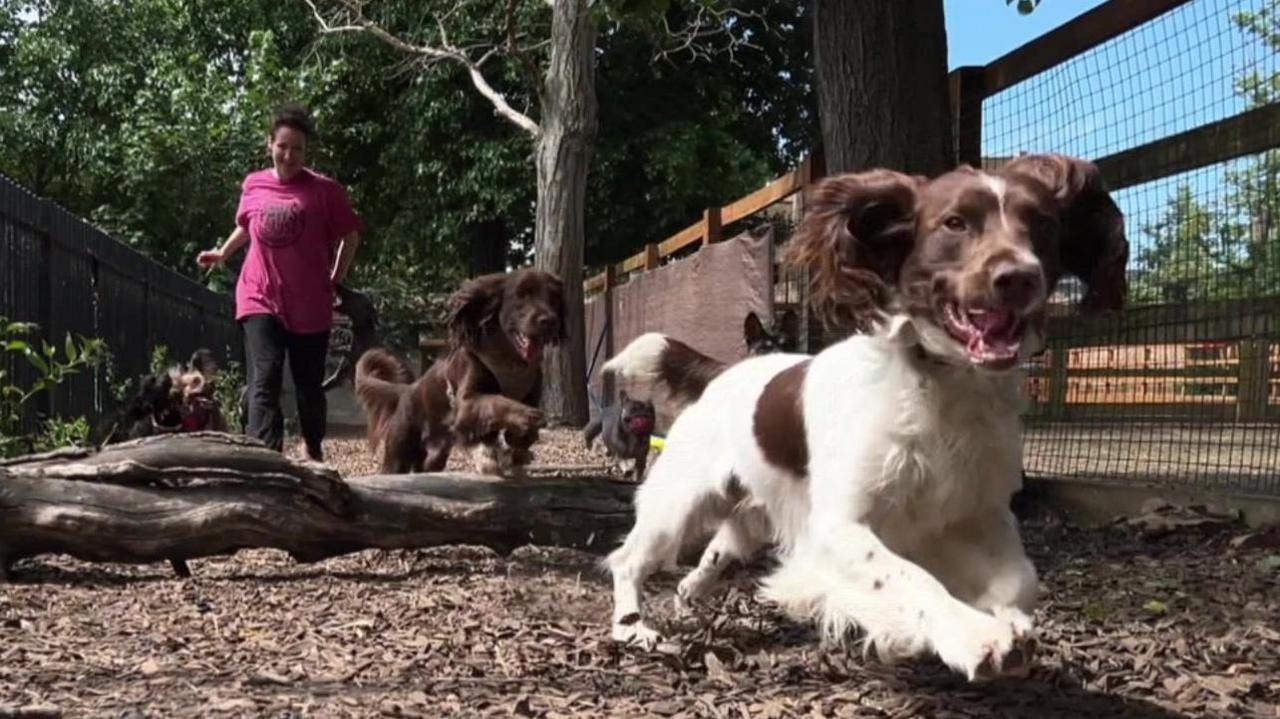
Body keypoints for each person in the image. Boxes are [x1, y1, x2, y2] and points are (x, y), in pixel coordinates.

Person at [196, 103, 362, 461]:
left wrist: (336, 278)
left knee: (308, 390)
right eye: (282, 146)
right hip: (260, 295)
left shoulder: (325, 191)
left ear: (306, 151)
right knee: (265, 378)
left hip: (310, 304)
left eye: (297, 148)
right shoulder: (253, 184)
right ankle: (264, 460)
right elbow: (246, 224)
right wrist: (223, 253)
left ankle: (313, 448)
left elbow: (350, 236)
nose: (289, 155)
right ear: (269, 144)